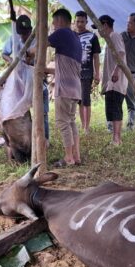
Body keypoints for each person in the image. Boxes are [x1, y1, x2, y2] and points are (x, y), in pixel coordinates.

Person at [2, 14, 49, 143]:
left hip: (35, 77)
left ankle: (45, 140)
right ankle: (27, 139)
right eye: (21, 34)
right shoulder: (13, 38)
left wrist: (31, 61)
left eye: (26, 33)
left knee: (42, 112)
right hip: (19, 80)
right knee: (21, 111)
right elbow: (4, 54)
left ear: (30, 30)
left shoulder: (37, 40)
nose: (23, 36)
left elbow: (41, 58)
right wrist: (13, 62)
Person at [47, 8, 82, 167]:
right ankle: (76, 156)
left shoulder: (62, 33)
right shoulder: (75, 37)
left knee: (62, 122)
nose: (53, 26)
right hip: (75, 87)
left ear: (60, 21)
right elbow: (65, 66)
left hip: (65, 88)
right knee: (71, 121)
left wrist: (27, 54)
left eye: (54, 22)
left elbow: (42, 43)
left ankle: (68, 157)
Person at [97, 15, 127, 146]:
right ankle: (116, 139)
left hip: (116, 81)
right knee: (113, 110)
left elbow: (121, 53)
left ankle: (116, 139)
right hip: (112, 82)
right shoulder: (109, 40)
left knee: (115, 110)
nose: (98, 31)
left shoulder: (114, 35)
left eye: (98, 27)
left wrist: (116, 71)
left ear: (104, 25)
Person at [74, 11, 101, 133]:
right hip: (73, 73)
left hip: (87, 72)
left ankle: (87, 126)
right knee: (79, 100)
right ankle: (82, 124)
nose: (79, 24)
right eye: (77, 21)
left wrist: (97, 73)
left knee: (86, 99)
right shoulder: (71, 36)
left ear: (86, 22)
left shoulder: (92, 36)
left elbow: (96, 57)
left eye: (82, 21)